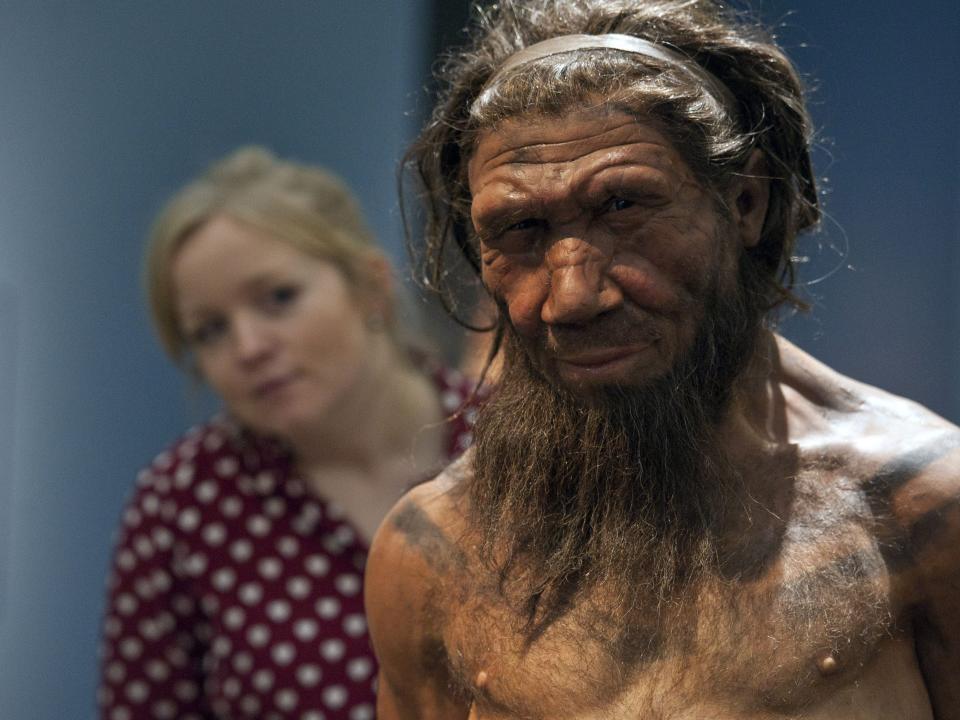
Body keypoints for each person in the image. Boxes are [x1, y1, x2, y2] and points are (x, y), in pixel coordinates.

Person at [365, 1, 960, 717]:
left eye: (623, 207)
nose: (572, 297)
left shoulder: (922, 510)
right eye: (520, 228)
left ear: (745, 202)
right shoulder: (436, 555)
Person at [98, 147, 482, 720]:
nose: (249, 348)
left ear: (369, 287)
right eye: (210, 331)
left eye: (278, 298)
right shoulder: (180, 504)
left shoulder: (512, 438)